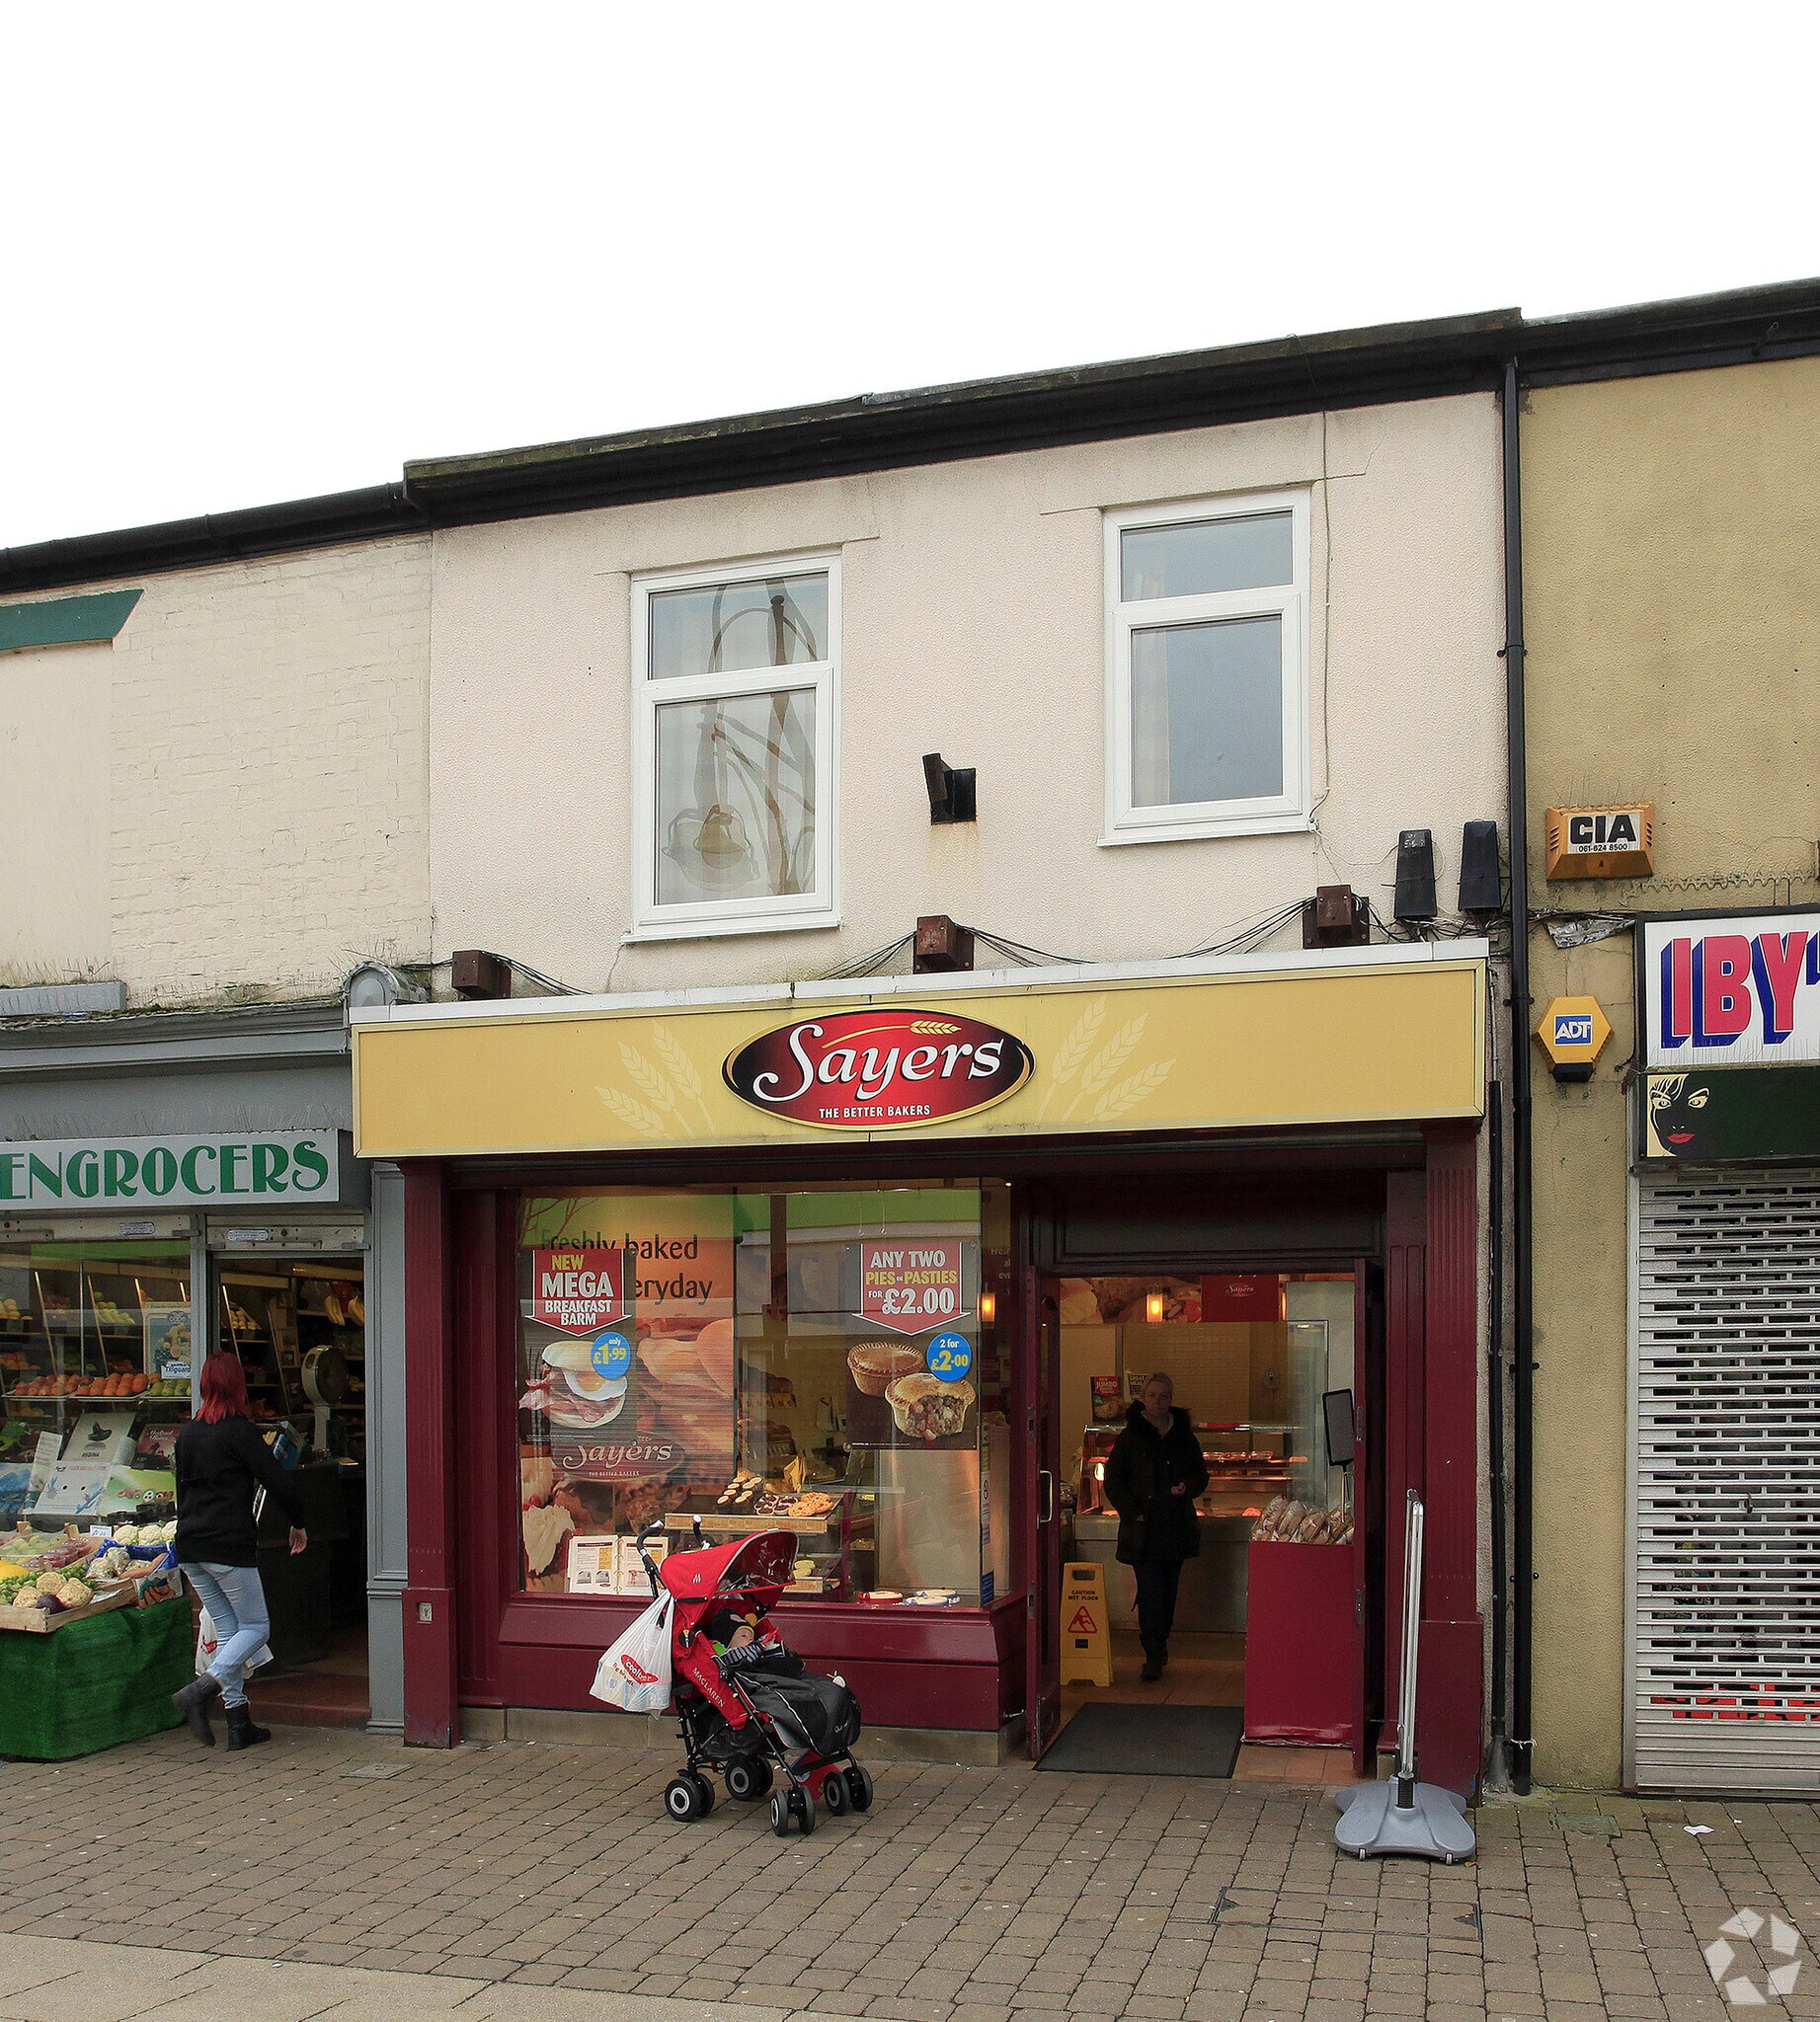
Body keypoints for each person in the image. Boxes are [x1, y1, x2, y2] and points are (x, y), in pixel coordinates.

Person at [170, 1352, 309, 1750]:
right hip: (228, 1545)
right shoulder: (239, 1432)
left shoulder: (188, 1434)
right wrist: (297, 1523)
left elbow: (182, 1490)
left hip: (191, 1547)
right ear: (238, 1386)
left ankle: (238, 1722)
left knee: (230, 1630)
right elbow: (278, 1483)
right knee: (256, 1627)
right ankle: (201, 1690)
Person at [1102, 1372, 1208, 1681]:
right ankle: (1152, 1652)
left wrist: (1186, 1487)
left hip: (1175, 1529)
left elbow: (1200, 1474)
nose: (1158, 1402)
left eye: (1163, 1397)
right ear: (1143, 1399)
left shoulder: (1184, 1436)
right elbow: (1113, 1480)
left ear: (1171, 1400)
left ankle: (1160, 1644)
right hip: (1142, 1531)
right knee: (1150, 1591)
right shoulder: (1130, 1436)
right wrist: (1131, 1511)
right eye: (1152, 1396)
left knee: (1168, 1591)